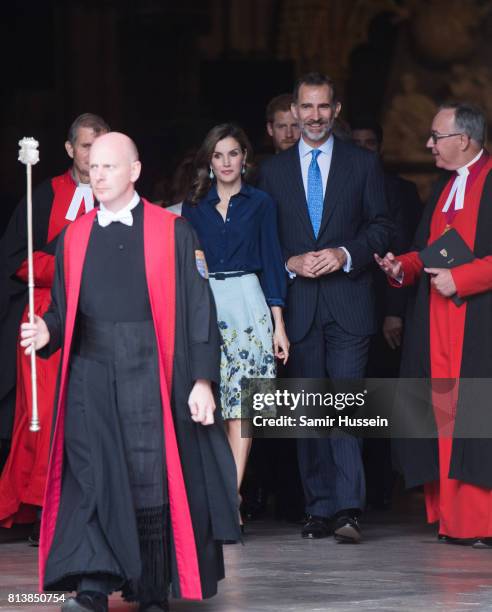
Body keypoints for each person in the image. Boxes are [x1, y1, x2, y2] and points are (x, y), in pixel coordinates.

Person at [20, 132, 239, 612]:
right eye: (92, 167)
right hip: (88, 371)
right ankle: (92, 588)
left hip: (149, 368)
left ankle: (151, 587)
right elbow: (63, 311)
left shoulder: (172, 230)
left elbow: (200, 310)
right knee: (90, 477)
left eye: (108, 167)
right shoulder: (73, 237)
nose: (97, 176)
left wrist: (202, 380)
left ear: (135, 171)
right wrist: (47, 333)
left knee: (148, 478)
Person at [258, 72, 392, 543]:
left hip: (349, 302)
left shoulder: (363, 164)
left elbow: (381, 228)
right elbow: (262, 241)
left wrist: (344, 254)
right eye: (306, 108)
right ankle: (318, 508)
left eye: (323, 108)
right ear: (293, 113)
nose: (314, 117)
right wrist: (288, 262)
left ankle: (348, 510)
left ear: (335, 112)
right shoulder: (271, 173)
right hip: (297, 307)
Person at [376, 102, 492, 547]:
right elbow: (432, 250)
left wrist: (461, 278)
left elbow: (461, 264)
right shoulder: (445, 188)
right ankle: (453, 519)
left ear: (463, 140)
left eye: (436, 136)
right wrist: (400, 267)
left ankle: (480, 523)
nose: (428, 144)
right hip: (439, 325)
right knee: (442, 416)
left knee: (476, 421)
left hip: (476, 326)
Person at [0, 113, 109, 541]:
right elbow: (16, 261)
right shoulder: (43, 194)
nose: (92, 156)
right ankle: (46, 506)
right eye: (85, 147)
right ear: (69, 149)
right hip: (46, 315)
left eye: (100, 148)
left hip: (101, 316)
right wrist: (68, 266)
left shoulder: (118, 197)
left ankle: (95, 506)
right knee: (43, 414)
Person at [182, 123, 289, 530]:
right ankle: (228, 497)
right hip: (208, 304)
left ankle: (229, 499)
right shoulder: (193, 206)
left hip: (249, 302)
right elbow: (189, 265)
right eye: (218, 155)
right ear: (209, 162)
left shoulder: (261, 203)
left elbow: (273, 259)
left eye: (233, 153)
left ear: (245, 157)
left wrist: (279, 325)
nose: (226, 162)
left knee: (244, 407)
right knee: (213, 402)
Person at [351, 118, 423, 509]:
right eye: (356, 141)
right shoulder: (337, 184)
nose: (363, 147)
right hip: (346, 301)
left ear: (378, 147)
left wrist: (395, 311)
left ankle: (383, 485)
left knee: (383, 397)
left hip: (386, 305)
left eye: (370, 141)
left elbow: (411, 248)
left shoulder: (402, 191)